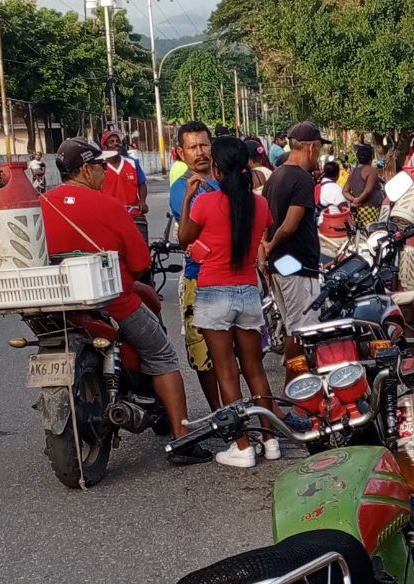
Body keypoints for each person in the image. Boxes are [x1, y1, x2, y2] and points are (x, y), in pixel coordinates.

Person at [40, 137, 211, 465]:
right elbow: (140, 264)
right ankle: (183, 440)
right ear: (87, 170)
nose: (104, 171)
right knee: (162, 355)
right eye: (100, 166)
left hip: (57, 300)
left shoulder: (42, 204)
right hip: (113, 300)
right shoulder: (109, 206)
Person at [178, 136, 280, 468]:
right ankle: (270, 439)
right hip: (248, 291)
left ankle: (241, 446)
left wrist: (189, 198)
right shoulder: (260, 205)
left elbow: (183, 239)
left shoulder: (205, 204)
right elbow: (266, 229)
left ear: (218, 170)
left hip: (213, 294)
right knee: (255, 370)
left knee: (226, 373)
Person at [262, 122, 326, 379]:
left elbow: (264, 221)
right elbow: (289, 226)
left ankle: (296, 389)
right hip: (297, 263)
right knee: (301, 331)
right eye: (319, 149)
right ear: (311, 147)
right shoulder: (302, 179)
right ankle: (296, 391)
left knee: (293, 327)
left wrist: (265, 253)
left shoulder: (276, 175)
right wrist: (271, 245)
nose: (319, 155)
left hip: (281, 264)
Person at [169, 121, 224, 414]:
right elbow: (200, 227)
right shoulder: (182, 189)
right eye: (193, 147)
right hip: (198, 280)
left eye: (204, 145)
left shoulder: (224, 178)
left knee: (237, 353)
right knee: (203, 353)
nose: (200, 152)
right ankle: (219, 411)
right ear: (181, 152)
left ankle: (240, 410)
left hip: (232, 277)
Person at [100, 131, 150, 242]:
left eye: (118, 141)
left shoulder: (132, 163)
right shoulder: (100, 167)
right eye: (112, 142)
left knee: (141, 246)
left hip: (133, 213)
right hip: (109, 216)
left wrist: (142, 201)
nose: (116, 143)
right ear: (105, 147)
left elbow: (142, 184)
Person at [343, 144, 384, 226]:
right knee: (369, 233)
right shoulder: (371, 171)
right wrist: (358, 200)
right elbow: (368, 190)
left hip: (356, 210)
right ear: (371, 157)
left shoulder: (353, 172)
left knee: (359, 233)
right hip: (369, 208)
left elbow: (345, 191)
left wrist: (353, 200)